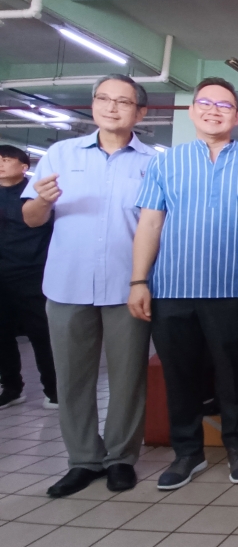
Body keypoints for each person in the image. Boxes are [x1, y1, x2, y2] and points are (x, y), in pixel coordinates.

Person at [129, 77, 238, 490]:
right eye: (205, 103)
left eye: (224, 105)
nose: (214, 110)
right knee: (179, 374)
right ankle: (187, 452)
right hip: (171, 288)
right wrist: (139, 280)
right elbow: (150, 224)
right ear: (192, 111)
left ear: (237, 117)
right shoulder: (165, 162)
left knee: (233, 373)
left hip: (230, 288)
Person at [22, 75, 155, 497]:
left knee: (128, 377)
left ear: (141, 112)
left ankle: (120, 458)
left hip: (127, 285)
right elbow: (32, 218)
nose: (111, 108)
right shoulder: (61, 154)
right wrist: (42, 199)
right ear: (93, 105)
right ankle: (82, 459)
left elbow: (157, 226)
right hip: (67, 284)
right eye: (103, 99)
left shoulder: (153, 162)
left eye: (122, 101)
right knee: (72, 379)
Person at [0, 145, 56, 413]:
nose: (0, 164)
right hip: (2, 277)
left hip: (33, 273)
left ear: (24, 167)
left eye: (6, 160)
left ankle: (54, 391)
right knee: (2, 335)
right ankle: (11, 388)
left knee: (41, 335)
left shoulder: (37, 193)